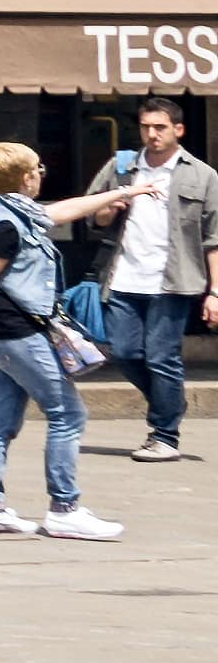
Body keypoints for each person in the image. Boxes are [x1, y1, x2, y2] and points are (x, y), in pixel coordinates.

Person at [0, 136, 122, 539]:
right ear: (26, 177)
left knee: (1, 418)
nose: (41, 175)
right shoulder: (6, 225)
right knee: (68, 414)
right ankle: (64, 508)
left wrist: (126, 190)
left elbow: (64, 210)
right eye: (38, 169)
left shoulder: (13, 212)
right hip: (15, 331)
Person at [79, 97, 217, 462]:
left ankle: (164, 434)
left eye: (160, 127)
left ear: (178, 130)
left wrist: (215, 292)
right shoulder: (122, 166)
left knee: (162, 357)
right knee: (124, 353)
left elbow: (213, 239)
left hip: (173, 282)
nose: (152, 135)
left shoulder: (201, 175)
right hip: (122, 278)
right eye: (145, 128)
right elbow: (92, 216)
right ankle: (170, 401)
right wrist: (109, 209)